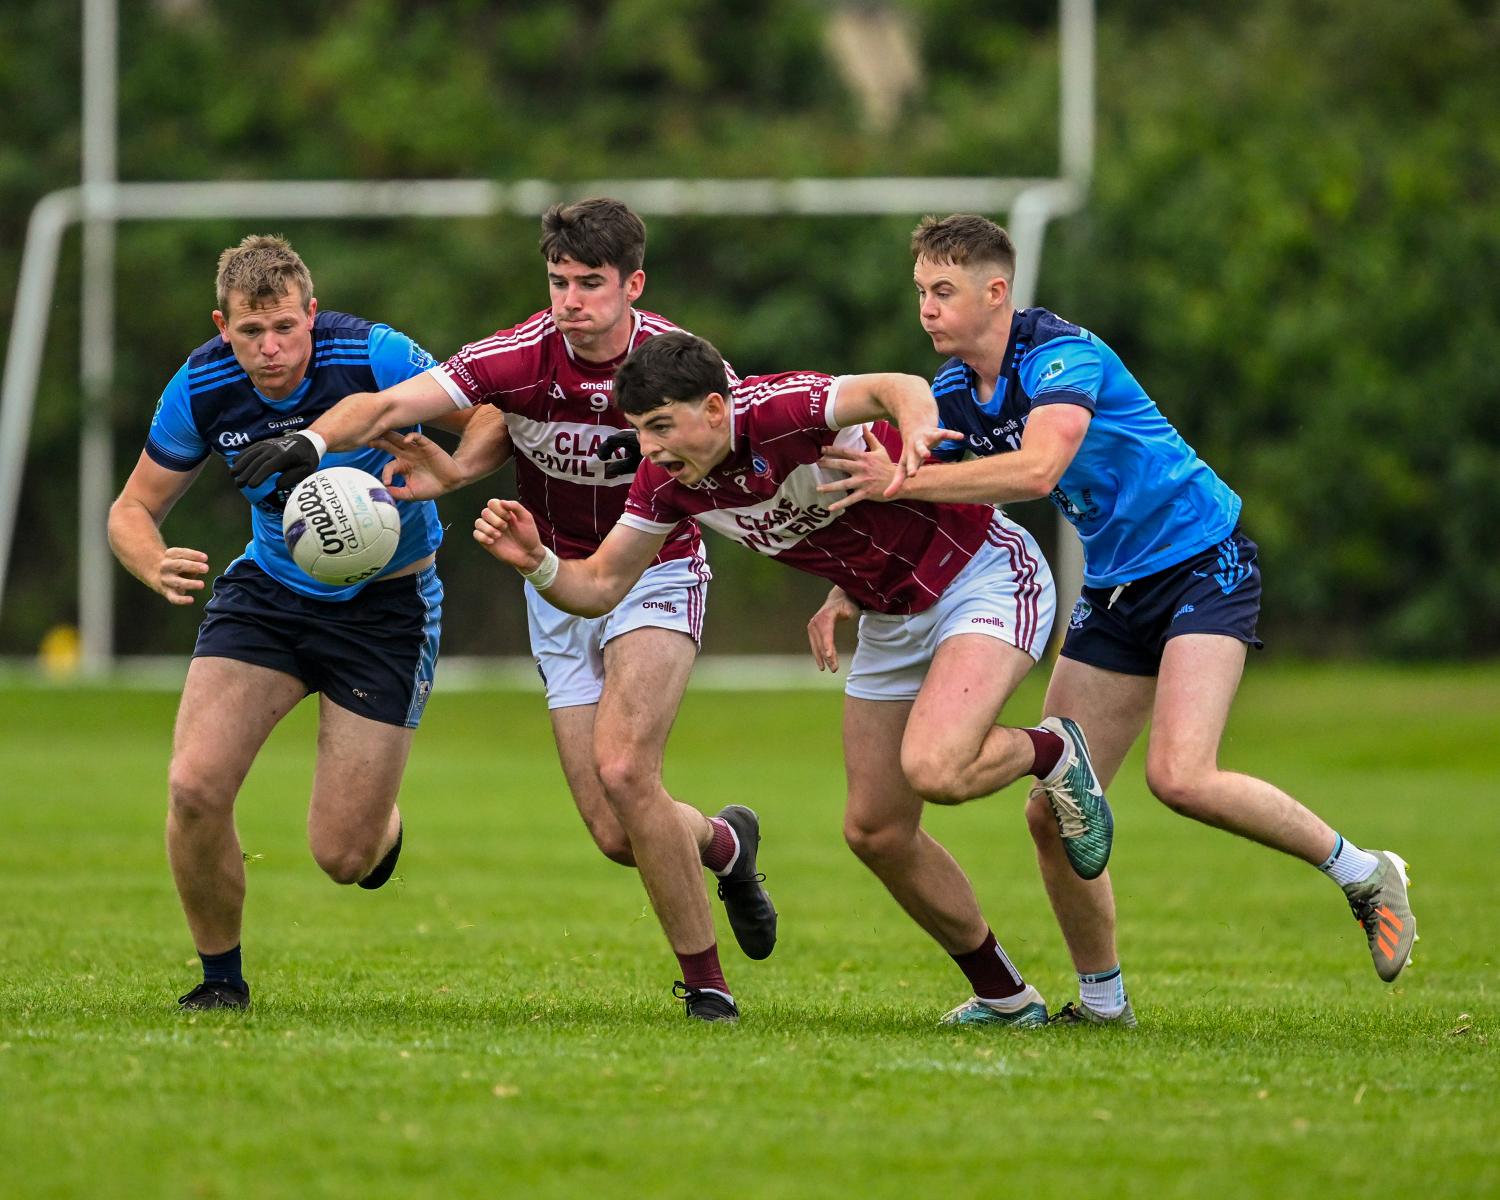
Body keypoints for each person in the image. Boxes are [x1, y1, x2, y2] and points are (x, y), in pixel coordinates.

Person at [811, 213, 1417, 1024]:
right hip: (1117, 589)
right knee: (1054, 809)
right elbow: (918, 510)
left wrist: (903, 482)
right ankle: (1104, 1008)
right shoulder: (957, 392)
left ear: (998, 292)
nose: (926, 308)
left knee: (1181, 777)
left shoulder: (1062, 355)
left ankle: (1364, 873)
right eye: (920, 291)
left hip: (1203, 561)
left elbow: (1037, 469)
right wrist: (851, 586)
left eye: (944, 291)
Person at [227, 199, 776, 1023]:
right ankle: (726, 846)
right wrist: (313, 445)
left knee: (628, 771)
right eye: (559, 281)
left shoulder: (678, 367)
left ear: (634, 284)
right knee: (617, 832)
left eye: (591, 284)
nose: (571, 300)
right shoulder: (519, 356)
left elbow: (748, 444)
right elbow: (386, 407)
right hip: (555, 588)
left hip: (652, 574)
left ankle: (708, 988)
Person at [467, 330, 1114, 1028]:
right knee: (876, 832)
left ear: (715, 408)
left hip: (979, 575)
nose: (648, 450)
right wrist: (536, 561)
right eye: (638, 432)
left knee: (937, 766)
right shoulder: (666, 481)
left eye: (660, 427)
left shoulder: (783, 409)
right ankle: (1007, 997)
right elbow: (599, 586)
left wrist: (916, 436)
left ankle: (1052, 751)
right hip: (889, 614)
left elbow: (896, 385)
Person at [107, 235, 448, 1011]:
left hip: (388, 609)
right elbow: (132, 508)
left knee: (343, 855)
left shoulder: (372, 354)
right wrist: (151, 559)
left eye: (285, 328)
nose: (270, 348)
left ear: (312, 315)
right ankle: (220, 979)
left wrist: (452, 470)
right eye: (250, 331)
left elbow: (490, 412)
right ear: (222, 325)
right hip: (269, 596)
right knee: (193, 786)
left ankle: (379, 828)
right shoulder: (203, 384)